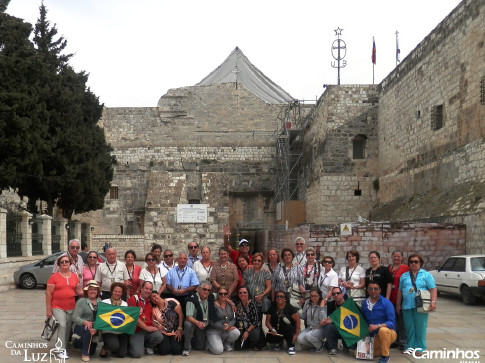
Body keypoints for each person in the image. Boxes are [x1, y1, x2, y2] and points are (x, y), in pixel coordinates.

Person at [396, 253, 437, 355]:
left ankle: (420, 348)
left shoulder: (426, 275)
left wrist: (433, 302)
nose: (413, 264)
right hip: (407, 305)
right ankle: (409, 347)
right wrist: (398, 305)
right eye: (411, 262)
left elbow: (433, 289)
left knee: (420, 327)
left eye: (416, 261)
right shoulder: (404, 276)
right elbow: (400, 291)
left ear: (420, 263)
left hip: (421, 305)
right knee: (409, 327)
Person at [46, 255, 83, 359]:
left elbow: (78, 291)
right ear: (59, 265)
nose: (64, 263)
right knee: (62, 325)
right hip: (57, 306)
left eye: (66, 261)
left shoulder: (74, 276)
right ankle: (61, 350)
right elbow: (48, 293)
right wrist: (48, 309)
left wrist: (90, 291)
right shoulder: (54, 277)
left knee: (67, 328)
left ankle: (64, 347)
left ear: (70, 263)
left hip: (71, 306)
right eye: (62, 262)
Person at [361, 282, 397, 363]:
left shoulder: (387, 303)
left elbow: (392, 323)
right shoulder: (364, 303)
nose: (373, 291)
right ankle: (380, 349)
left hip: (389, 333)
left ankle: (385, 356)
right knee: (360, 353)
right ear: (367, 291)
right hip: (373, 336)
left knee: (383, 330)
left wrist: (377, 326)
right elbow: (363, 321)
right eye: (371, 289)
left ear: (380, 290)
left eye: (376, 289)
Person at [127, 281, 163, 357]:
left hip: (148, 330)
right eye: (146, 288)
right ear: (141, 288)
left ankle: (147, 346)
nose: (148, 291)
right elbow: (133, 318)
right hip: (137, 330)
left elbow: (152, 317)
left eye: (150, 289)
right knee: (137, 354)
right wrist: (146, 328)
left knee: (159, 336)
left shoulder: (151, 301)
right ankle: (131, 346)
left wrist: (156, 325)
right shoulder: (133, 299)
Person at [72, 280, 102, 362]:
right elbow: (75, 317)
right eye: (91, 289)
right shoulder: (81, 301)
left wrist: (96, 326)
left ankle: (77, 343)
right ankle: (85, 353)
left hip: (95, 326)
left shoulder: (100, 301)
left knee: (92, 351)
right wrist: (85, 322)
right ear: (87, 291)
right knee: (87, 330)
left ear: (97, 291)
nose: (93, 291)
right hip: (81, 326)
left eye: (95, 289)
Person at [183, 282, 214, 356]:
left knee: (200, 347)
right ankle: (186, 347)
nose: (206, 292)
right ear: (199, 289)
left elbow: (221, 296)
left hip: (203, 325)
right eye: (204, 289)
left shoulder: (210, 296)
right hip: (194, 322)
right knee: (188, 324)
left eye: (208, 290)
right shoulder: (192, 299)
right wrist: (197, 323)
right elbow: (188, 316)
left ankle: (193, 338)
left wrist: (231, 303)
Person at [265, 290, 300, 355]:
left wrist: (296, 334)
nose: (279, 298)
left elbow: (297, 320)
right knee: (269, 340)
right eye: (277, 297)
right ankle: (279, 341)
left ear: (285, 299)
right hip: (276, 329)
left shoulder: (290, 308)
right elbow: (267, 321)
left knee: (288, 327)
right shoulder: (272, 308)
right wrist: (271, 329)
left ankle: (291, 346)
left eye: (281, 297)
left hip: (288, 330)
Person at [207, 287, 240, 354]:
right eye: (221, 294)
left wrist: (229, 325)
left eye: (225, 293)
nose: (223, 295)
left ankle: (226, 343)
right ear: (217, 295)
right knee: (218, 351)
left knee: (236, 332)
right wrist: (223, 327)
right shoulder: (212, 305)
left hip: (226, 329)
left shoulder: (230, 305)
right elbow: (211, 321)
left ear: (227, 294)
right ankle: (209, 342)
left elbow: (234, 318)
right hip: (214, 330)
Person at [100, 282, 129, 358]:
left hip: (121, 331)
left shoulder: (125, 304)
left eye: (119, 292)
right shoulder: (104, 302)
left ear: (122, 293)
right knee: (114, 346)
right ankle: (105, 347)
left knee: (122, 354)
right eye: (115, 291)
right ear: (112, 291)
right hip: (108, 331)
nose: (117, 293)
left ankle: (115, 346)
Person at [388, 250, 409, 350]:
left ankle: (403, 341)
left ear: (402, 258)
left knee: (401, 321)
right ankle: (395, 340)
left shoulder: (405, 269)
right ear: (392, 257)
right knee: (393, 320)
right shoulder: (389, 269)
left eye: (398, 256)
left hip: (400, 298)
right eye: (395, 256)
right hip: (390, 298)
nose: (396, 258)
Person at [319, 286, 349, 355]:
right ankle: (333, 348)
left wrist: (333, 320)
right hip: (337, 329)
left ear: (342, 294)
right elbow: (325, 319)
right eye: (334, 294)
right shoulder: (331, 304)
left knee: (351, 347)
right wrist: (322, 307)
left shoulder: (349, 304)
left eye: (338, 293)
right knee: (329, 326)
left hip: (347, 330)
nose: (336, 295)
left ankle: (346, 345)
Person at [297, 287, 327, 351]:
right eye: (311, 296)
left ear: (319, 296)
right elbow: (303, 316)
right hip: (310, 327)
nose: (313, 298)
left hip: (320, 328)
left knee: (309, 336)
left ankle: (320, 346)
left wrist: (321, 308)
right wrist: (296, 311)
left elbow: (323, 320)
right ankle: (315, 345)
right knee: (299, 339)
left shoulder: (323, 304)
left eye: (315, 296)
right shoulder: (307, 303)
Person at [242, 252, 271, 316]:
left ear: (262, 262)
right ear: (252, 261)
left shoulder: (266, 273)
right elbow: (242, 286)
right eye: (255, 260)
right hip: (249, 300)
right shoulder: (247, 272)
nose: (257, 262)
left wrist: (262, 295)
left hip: (260, 300)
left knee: (259, 320)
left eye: (259, 261)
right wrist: (246, 297)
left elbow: (269, 287)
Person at [234, 286, 262, 351]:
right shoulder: (237, 304)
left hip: (252, 328)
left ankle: (254, 342)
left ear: (248, 294)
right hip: (242, 327)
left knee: (255, 335)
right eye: (240, 293)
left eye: (244, 292)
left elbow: (255, 321)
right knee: (238, 348)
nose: (242, 294)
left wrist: (247, 331)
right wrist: (232, 304)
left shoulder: (252, 304)